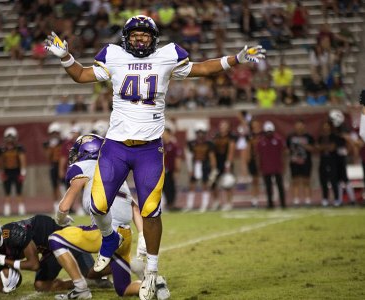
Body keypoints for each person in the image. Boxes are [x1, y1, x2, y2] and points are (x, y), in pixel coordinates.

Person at [45, 15, 265, 300]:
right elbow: (81, 75)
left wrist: (236, 58)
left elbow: (204, 69)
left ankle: (151, 270)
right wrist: (65, 57)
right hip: (116, 146)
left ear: (154, 38)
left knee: (151, 211)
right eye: (134, 35)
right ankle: (109, 237)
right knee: (98, 207)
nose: (139, 39)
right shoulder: (113, 55)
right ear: (126, 38)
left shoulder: (168, 56)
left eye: (144, 35)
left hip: (149, 148)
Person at [49, 134, 170, 299]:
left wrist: (60, 219)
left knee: (55, 239)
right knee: (123, 288)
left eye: (78, 151)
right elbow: (135, 209)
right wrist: (142, 235)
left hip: (107, 234)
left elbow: (64, 207)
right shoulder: (115, 170)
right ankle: (156, 283)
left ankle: (80, 290)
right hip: (126, 235)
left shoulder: (83, 167)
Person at [0, 214, 104, 293]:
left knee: (94, 273)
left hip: (64, 240)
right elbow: (4, 280)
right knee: (41, 286)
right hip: (49, 251)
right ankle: (83, 282)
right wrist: (4, 284)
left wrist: (3, 260)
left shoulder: (15, 233)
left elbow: (34, 264)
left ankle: (116, 262)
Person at [256, 121, 286, 209]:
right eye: (267, 131)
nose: (269, 133)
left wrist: (284, 165)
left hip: (277, 166)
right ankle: (270, 204)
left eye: (270, 131)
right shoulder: (261, 141)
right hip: (266, 167)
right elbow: (258, 155)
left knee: (280, 185)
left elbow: (283, 153)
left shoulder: (278, 140)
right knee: (268, 187)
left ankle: (283, 203)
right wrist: (259, 166)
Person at [286, 120, 315, 206]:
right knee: (295, 180)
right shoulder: (290, 137)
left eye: (300, 126)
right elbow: (287, 149)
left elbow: (313, 149)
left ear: (304, 126)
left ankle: (308, 199)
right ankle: (296, 199)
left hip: (306, 161)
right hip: (294, 161)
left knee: (306, 180)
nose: (298, 128)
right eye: (297, 126)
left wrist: (303, 145)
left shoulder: (308, 137)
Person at [0, 127, 27, 216]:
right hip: (7, 171)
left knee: (19, 191)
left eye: (12, 138)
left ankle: (21, 208)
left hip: (17, 171)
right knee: (7, 192)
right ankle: (7, 209)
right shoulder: (3, 149)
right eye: (8, 138)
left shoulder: (19, 148)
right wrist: (2, 172)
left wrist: (23, 173)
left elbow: (22, 160)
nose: (10, 140)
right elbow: (1, 161)